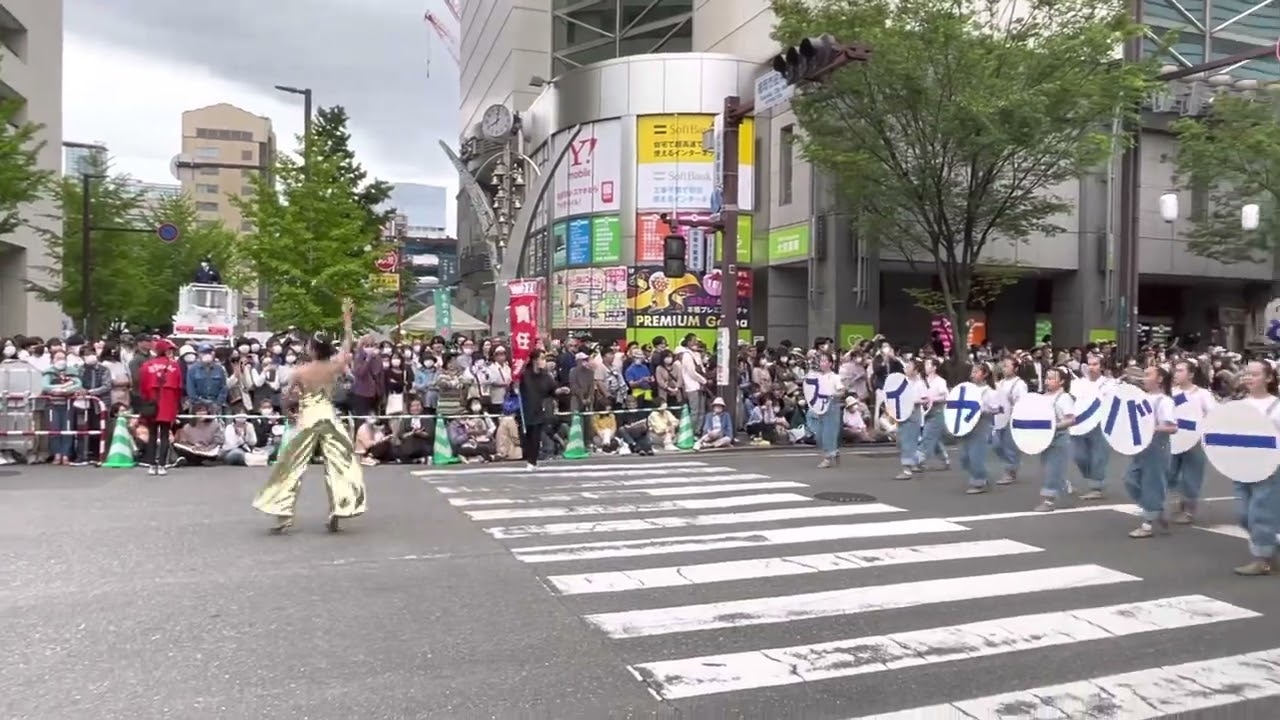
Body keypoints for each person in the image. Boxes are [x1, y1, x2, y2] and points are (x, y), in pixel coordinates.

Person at [252, 298, 365, 533]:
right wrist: (347, 319)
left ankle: (283, 513)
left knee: (292, 463)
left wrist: (289, 412)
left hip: (308, 416)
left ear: (312, 349)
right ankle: (340, 508)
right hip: (329, 416)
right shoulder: (334, 366)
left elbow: (286, 398)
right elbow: (348, 345)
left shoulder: (300, 371)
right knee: (340, 462)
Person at [137, 338, 183, 476]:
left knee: (151, 435)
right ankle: (162, 465)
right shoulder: (174, 366)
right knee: (164, 435)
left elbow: (142, 387)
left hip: (151, 403)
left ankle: (151, 465)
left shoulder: (147, 365)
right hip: (168, 403)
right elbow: (179, 387)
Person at [517, 349, 558, 470]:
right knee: (526, 437)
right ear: (535, 360)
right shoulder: (525, 375)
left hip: (539, 409)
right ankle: (530, 458)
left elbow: (552, 389)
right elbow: (515, 385)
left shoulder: (545, 375)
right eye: (542, 358)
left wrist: (559, 391)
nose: (544, 361)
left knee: (536, 436)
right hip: (525, 409)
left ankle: (532, 461)